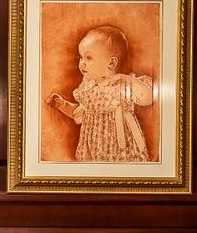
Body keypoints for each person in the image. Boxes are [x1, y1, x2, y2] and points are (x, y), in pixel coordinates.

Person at [48, 25, 153, 161]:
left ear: (111, 63)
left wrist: (129, 80)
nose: (82, 63)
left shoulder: (123, 85)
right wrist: (64, 105)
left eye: (89, 58)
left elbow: (148, 98)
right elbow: (81, 114)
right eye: (81, 57)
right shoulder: (88, 87)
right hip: (94, 149)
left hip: (121, 150)